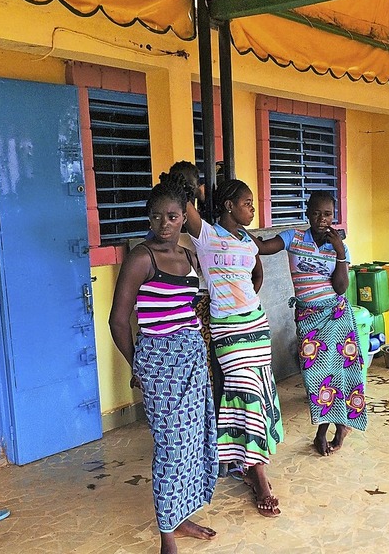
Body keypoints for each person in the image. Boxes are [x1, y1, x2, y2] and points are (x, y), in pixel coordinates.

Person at [109, 179, 218, 554]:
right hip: (159, 362)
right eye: (157, 217)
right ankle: (166, 535)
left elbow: (190, 309)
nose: (165, 224)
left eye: (172, 216)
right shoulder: (142, 258)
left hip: (191, 357)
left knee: (193, 440)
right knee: (171, 445)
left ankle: (180, 516)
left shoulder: (189, 256)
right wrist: (136, 366)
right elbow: (118, 321)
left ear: (184, 216)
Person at [171, 172, 283, 518]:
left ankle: (248, 466)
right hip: (227, 329)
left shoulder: (246, 239)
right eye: (248, 203)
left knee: (258, 391)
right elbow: (182, 200)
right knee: (244, 391)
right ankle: (259, 475)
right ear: (230, 206)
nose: (252, 209)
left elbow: (257, 274)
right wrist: (193, 184)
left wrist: (246, 299)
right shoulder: (206, 234)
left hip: (255, 324)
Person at [254, 191, 367, 456]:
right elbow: (263, 246)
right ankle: (333, 426)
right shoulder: (293, 238)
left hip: (337, 316)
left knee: (341, 374)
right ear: (307, 213)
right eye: (316, 213)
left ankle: (332, 429)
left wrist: (339, 252)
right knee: (315, 376)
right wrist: (234, 229)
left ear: (334, 216)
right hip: (308, 318)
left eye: (327, 214)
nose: (322, 219)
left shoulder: (340, 246)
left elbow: (340, 288)